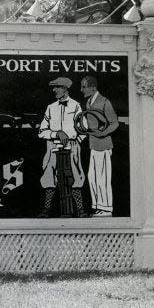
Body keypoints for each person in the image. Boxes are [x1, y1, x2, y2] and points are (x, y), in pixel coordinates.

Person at [37, 77, 86, 217]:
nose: (54, 90)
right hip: (52, 148)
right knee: (49, 177)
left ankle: (80, 210)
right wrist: (56, 133)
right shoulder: (51, 107)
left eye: (57, 87)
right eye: (54, 87)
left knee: (75, 176)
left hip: (71, 147)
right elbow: (42, 131)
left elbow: (83, 128)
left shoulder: (76, 106)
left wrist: (73, 140)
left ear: (65, 88)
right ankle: (46, 210)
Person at [80, 75, 120, 217]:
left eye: (84, 87)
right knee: (92, 177)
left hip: (103, 145)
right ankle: (98, 207)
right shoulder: (89, 102)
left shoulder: (104, 102)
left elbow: (114, 123)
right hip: (93, 145)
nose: (81, 90)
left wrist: (102, 133)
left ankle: (106, 208)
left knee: (102, 177)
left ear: (93, 87)